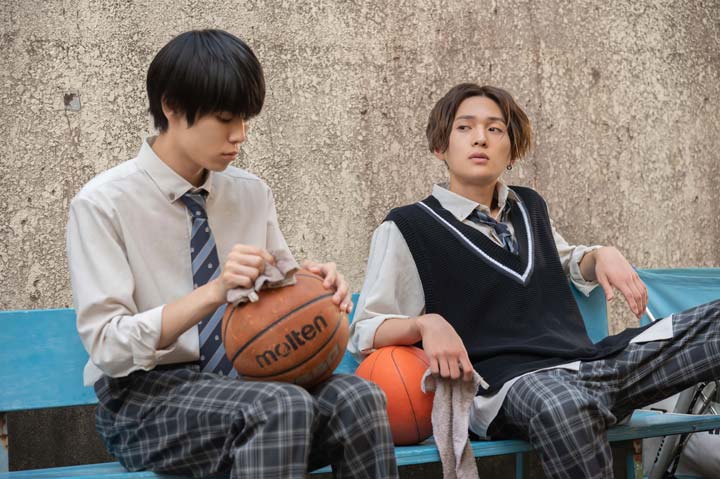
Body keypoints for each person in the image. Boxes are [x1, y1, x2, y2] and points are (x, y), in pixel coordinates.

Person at [67, 29, 397, 479]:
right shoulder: (103, 204)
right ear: (172, 107)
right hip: (144, 403)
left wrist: (316, 287)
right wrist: (215, 291)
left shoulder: (250, 193)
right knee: (279, 406)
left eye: (244, 120)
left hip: (250, 384)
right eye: (225, 119)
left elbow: (277, 293)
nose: (239, 135)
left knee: (360, 398)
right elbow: (108, 347)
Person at [348, 83, 720, 478]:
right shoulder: (408, 227)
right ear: (441, 146)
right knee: (564, 405)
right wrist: (426, 324)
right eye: (465, 127)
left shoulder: (529, 207)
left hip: (590, 366)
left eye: (495, 129)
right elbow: (366, 329)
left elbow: (564, 259)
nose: (480, 138)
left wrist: (599, 255)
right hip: (505, 387)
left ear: (511, 151)